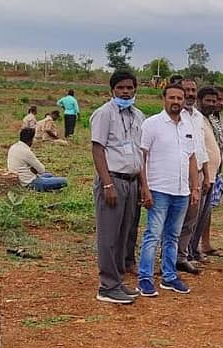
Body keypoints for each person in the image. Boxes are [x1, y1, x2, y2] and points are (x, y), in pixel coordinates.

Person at [136, 83, 200, 297]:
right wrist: (144, 188)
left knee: (172, 236)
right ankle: (145, 278)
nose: (176, 102)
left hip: (181, 191)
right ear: (164, 99)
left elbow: (191, 158)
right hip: (158, 189)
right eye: (172, 98)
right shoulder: (152, 124)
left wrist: (195, 187)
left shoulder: (187, 126)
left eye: (179, 98)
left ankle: (169, 276)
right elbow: (141, 157)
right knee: (153, 235)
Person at [90, 70, 146, 304]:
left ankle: (118, 281)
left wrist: (143, 185)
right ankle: (107, 286)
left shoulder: (138, 116)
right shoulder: (104, 114)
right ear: (112, 90)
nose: (126, 92)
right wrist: (107, 183)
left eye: (130, 88)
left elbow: (141, 152)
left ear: (135, 90)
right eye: (121, 88)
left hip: (132, 181)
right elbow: (98, 149)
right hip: (113, 180)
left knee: (125, 235)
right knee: (109, 235)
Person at [177, 81, 220, 275]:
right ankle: (170, 258)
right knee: (176, 219)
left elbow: (200, 149)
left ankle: (182, 257)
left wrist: (206, 175)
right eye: (186, 91)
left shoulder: (197, 117)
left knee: (191, 220)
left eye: (193, 90)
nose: (190, 94)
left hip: (201, 174)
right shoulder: (177, 116)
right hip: (180, 175)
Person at [194, 85, 223, 261]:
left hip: (215, 172)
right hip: (203, 173)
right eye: (216, 100)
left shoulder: (216, 118)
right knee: (197, 212)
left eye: (222, 100)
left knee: (207, 210)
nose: (219, 103)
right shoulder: (198, 119)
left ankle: (203, 245)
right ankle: (192, 248)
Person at [7, 128, 68, 192]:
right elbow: (42, 170)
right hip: (29, 182)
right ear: (31, 139)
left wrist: (33, 169)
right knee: (65, 181)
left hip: (20, 179)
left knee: (49, 175)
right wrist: (34, 170)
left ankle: (49, 188)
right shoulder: (26, 152)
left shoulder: (13, 147)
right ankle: (44, 188)